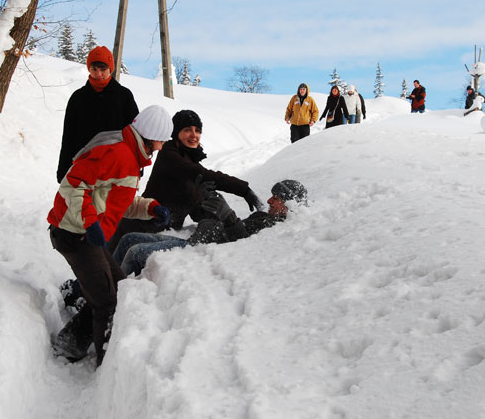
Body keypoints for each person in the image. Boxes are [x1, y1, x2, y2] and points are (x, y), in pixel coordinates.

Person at [47, 105, 173, 366]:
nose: (162, 146)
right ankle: (107, 364)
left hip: (87, 234)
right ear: (151, 137)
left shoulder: (130, 154)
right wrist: (90, 222)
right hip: (74, 234)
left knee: (117, 287)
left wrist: (150, 208)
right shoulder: (117, 152)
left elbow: (118, 201)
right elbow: (72, 185)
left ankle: (70, 341)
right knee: (107, 301)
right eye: (162, 140)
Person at [106, 109, 263, 254]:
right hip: (134, 230)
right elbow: (203, 174)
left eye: (197, 130)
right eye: (187, 130)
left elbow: (194, 205)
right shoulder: (169, 154)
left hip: (155, 235)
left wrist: (227, 217)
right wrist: (243, 189)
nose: (194, 135)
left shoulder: (188, 158)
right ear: (176, 133)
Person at [113, 180, 308, 277]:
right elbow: (232, 230)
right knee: (129, 239)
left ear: (289, 204)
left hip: (198, 250)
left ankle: (113, 301)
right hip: (198, 239)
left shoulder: (276, 229)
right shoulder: (263, 217)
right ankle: (100, 291)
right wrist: (210, 201)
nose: (269, 200)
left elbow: (243, 245)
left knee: (135, 252)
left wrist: (229, 217)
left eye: (276, 198)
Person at [56, 46, 139, 183]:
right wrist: (63, 170)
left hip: (115, 167)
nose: (98, 74)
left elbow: (134, 134)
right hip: (83, 165)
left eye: (103, 69)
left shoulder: (124, 96)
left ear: (110, 69)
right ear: (89, 69)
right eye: (94, 69)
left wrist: (137, 166)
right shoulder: (78, 98)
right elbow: (68, 136)